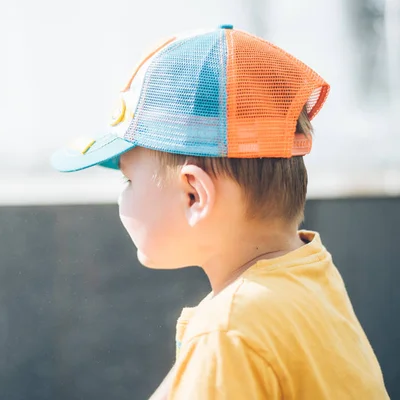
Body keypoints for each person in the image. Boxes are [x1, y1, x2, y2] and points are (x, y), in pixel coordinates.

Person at [50, 25, 389, 399]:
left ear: (194, 195)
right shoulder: (311, 275)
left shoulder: (229, 333)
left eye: (128, 181)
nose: (121, 200)